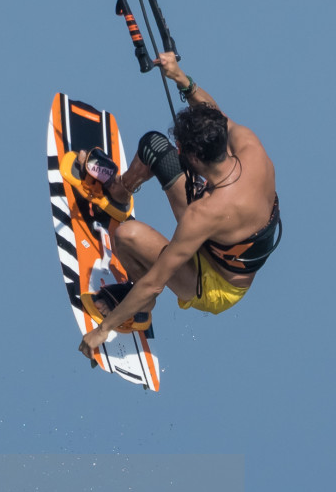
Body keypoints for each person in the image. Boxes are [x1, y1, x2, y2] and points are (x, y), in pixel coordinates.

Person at [77, 51, 281, 360]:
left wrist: (104, 329)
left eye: (183, 151)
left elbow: (155, 281)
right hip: (222, 229)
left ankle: (139, 313)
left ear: (196, 159)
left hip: (217, 284)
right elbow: (212, 112)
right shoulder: (248, 145)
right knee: (154, 146)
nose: (180, 153)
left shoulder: (204, 214)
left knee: (126, 236)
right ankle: (117, 193)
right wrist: (181, 78)